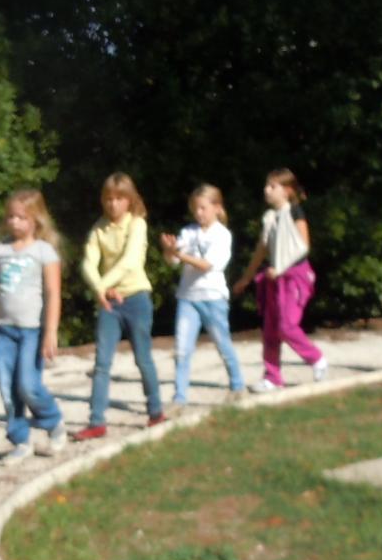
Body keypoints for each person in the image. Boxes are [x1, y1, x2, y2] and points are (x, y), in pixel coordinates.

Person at [0, 189, 65, 464]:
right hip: (2, 330)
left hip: (32, 330)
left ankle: (53, 421)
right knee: (8, 390)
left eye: (22, 217)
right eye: (11, 216)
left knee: (28, 385)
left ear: (36, 219)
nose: (15, 222)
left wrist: (51, 332)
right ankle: (20, 440)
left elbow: (53, 293)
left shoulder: (44, 252)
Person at [72, 173, 165, 441]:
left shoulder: (137, 224)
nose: (113, 204)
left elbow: (129, 262)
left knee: (143, 358)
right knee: (102, 363)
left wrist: (100, 287)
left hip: (136, 298)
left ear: (129, 200)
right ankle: (96, 421)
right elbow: (88, 263)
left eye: (119, 199)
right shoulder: (98, 228)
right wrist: (101, 289)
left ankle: (155, 411)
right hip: (110, 302)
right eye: (108, 199)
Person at [232, 168, 328, 391]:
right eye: (266, 186)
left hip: (296, 276)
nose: (267, 190)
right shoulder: (270, 218)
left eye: (272, 186)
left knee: (287, 326)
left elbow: (303, 245)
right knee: (271, 330)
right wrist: (246, 278)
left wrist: (281, 267)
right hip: (275, 277)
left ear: (287, 190)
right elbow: (261, 250)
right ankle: (272, 377)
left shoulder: (295, 212)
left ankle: (317, 359)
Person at [158, 184, 246, 410]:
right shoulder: (188, 232)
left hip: (213, 298)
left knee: (222, 343)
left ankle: (237, 385)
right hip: (188, 298)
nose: (198, 213)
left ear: (217, 207)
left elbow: (207, 265)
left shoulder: (222, 235)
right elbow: (173, 261)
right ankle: (179, 398)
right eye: (195, 209)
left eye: (203, 208)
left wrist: (179, 254)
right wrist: (169, 250)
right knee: (182, 349)